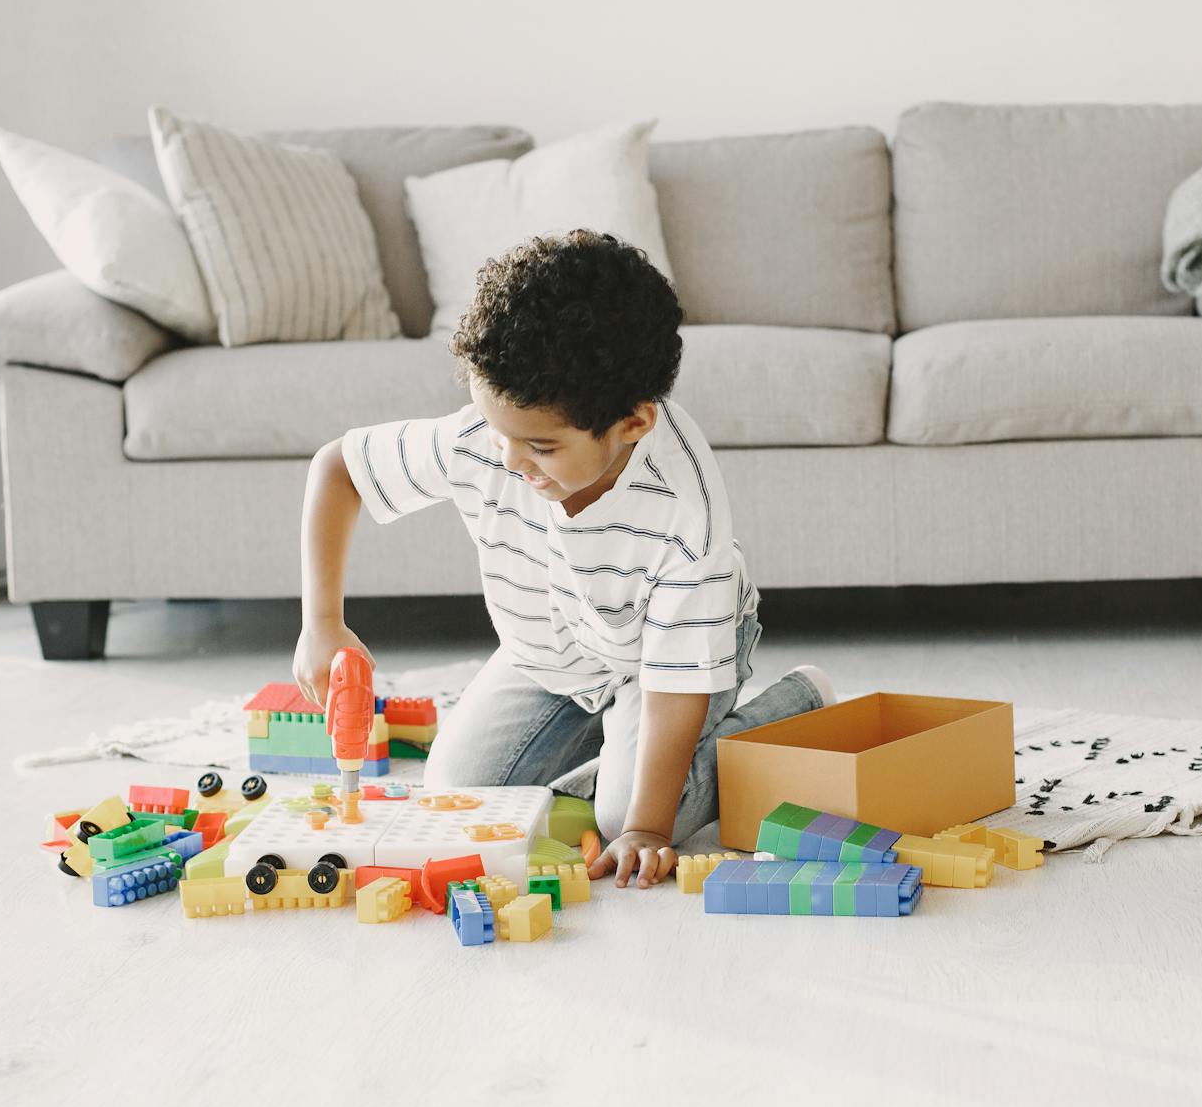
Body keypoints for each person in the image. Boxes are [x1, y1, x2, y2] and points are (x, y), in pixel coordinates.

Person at [293, 229, 833, 889]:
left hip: (662, 663)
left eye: (542, 448)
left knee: (626, 818)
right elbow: (338, 469)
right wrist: (322, 622)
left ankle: (798, 704)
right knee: (459, 792)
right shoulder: (485, 437)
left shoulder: (684, 516)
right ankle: (607, 752)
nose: (510, 460)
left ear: (633, 423)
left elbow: (676, 687)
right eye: (499, 432)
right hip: (549, 655)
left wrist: (647, 828)